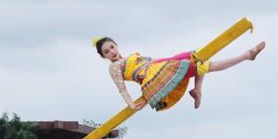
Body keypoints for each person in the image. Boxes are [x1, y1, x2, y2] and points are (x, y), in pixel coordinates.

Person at [94, 36, 266, 111]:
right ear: (103, 57)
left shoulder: (131, 56)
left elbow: (153, 61)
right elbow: (121, 88)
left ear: (116, 44)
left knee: (199, 54)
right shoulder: (114, 67)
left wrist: (172, 61)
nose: (112, 52)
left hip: (159, 66)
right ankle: (247, 55)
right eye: (107, 52)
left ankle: (197, 90)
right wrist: (131, 104)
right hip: (153, 76)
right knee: (205, 66)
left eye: (112, 47)